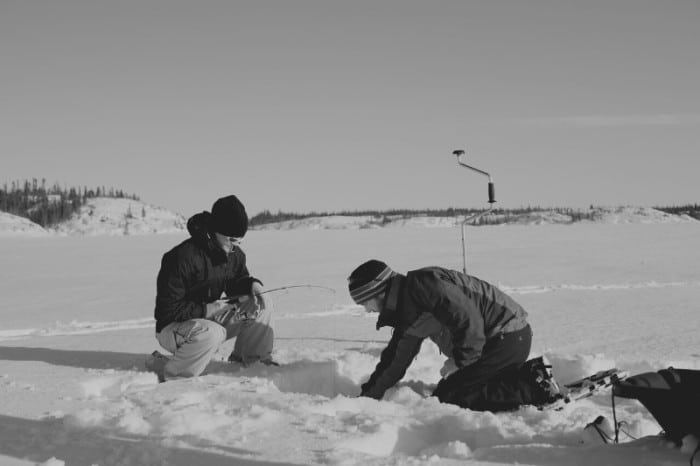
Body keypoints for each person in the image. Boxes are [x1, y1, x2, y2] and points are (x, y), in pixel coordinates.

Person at [348, 259, 561, 411]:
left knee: (453, 396)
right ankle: (528, 377)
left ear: (379, 293)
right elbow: (394, 362)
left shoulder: (423, 285)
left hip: (507, 336)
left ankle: (533, 387)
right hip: (498, 343)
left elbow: (468, 319)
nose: (367, 310)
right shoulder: (407, 313)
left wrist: (461, 362)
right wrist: (366, 399)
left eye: (364, 302)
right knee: (448, 392)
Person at [147, 195, 276, 382]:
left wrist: (252, 285)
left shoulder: (234, 254)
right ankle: (173, 374)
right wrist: (208, 309)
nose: (235, 246)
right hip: (172, 327)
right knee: (211, 333)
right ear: (217, 230)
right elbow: (168, 310)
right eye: (231, 239)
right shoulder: (181, 257)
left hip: (209, 320)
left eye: (239, 241)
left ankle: (252, 360)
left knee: (262, 302)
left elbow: (236, 283)